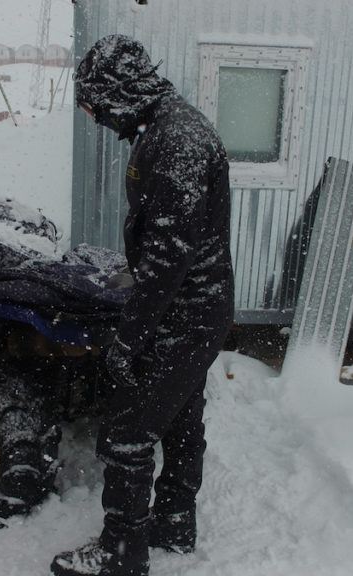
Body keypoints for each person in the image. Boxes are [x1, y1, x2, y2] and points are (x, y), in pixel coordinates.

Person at [52, 36, 235, 576]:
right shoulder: (168, 127)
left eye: (97, 107)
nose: (98, 119)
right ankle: (174, 523)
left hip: (186, 310)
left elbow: (170, 256)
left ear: (120, 92)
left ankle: (120, 555)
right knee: (179, 418)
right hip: (196, 306)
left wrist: (129, 337)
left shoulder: (177, 141)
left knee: (128, 433)